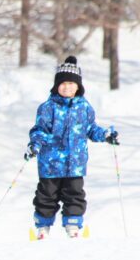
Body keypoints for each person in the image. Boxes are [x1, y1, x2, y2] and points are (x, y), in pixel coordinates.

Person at [24, 56, 119, 239]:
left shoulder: (84, 108)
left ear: (78, 86)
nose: (66, 87)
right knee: (46, 196)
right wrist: (35, 145)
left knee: (74, 194)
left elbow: (91, 129)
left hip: (75, 164)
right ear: (56, 86)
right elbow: (39, 130)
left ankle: (73, 226)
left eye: (71, 83)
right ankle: (43, 228)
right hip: (50, 164)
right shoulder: (48, 108)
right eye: (63, 83)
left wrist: (106, 135)